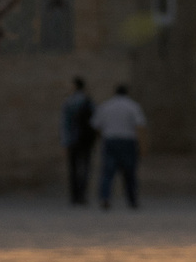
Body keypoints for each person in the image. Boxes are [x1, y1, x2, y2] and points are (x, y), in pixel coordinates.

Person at [93, 82, 146, 210]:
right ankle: (132, 200)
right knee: (129, 173)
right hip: (128, 141)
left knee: (107, 173)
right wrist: (142, 145)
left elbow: (96, 125)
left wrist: (102, 138)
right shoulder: (133, 106)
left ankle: (105, 198)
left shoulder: (106, 106)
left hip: (110, 140)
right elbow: (140, 126)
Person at [61, 77, 97, 206]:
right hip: (85, 140)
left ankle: (74, 195)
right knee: (85, 168)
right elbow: (95, 121)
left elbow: (65, 123)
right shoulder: (88, 101)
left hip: (73, 140)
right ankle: (83, 194)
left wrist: (65, 142)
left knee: (73, 169)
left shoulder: (69, 102)